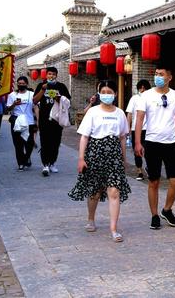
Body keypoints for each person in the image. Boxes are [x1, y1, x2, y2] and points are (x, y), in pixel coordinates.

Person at [68, 80, 131, 242]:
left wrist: (124, 159)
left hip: (114, 156)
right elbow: (84, 137)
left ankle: (114, 229)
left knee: (114, 192)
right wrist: (81, 158)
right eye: (103, 92)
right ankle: (91, 218)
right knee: (95, 191)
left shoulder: (120, 113)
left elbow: (123, 138)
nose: (106, 95)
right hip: (95, 153)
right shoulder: (93, 112)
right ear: (98, 93)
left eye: (110, 92)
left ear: (115, 94)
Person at [134, 65, 175, 230]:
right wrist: (137, 142)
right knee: (154, 181)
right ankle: (154, 215)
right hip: (152, 143)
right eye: (156, 74)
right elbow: (139, 119)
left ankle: (167, 209)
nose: (158, 77)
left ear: (169, 77)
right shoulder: (146, 96)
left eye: (161, 74)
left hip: (171, 143)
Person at [33, 67, 71, 176]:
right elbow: (35, 101)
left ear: (56, 75)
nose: (51, 76)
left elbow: (68, 101)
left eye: (53, 74)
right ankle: (45, 165)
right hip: (44, 120)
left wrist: (58, 98)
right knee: (45, 142)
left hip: (57, 120)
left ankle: (52, 163)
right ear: (46, 75)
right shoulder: (41, 86)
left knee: (55, 142)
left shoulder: (61, 86)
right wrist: (43, 90)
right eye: (49, 74)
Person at [6, 77, 36, 171]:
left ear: (27, 84)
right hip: (16, 122)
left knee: (29, 143)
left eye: (23, 83)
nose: (21, 85)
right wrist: (14, 104)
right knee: (18, 144)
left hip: (29, 121)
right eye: (19, 83)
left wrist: (37, 121)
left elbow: (36, 108)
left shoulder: (32, 94)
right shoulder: (12, 95)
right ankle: (21, 163)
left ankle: (27, 157)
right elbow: (8, 109)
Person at [125, 79, 151, 180]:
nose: (142, 89)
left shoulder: (151, 99)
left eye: (144, 87)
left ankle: (149, 168)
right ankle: (139, 171)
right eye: (141, 87)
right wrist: (127, 128)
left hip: (149, 129)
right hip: (136, 129)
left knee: (148, 151)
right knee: (137, 151)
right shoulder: (134, 98)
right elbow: (129, 114)